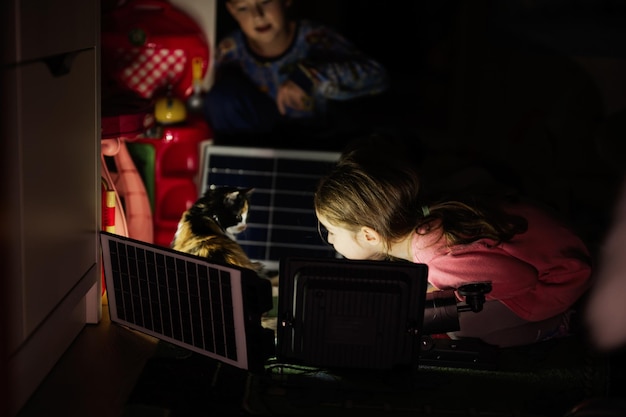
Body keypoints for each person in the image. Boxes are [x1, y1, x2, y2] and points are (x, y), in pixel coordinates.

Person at [313, 135, 593, 348]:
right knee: (441, 306)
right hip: (565, 247)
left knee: (456, 325)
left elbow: (523, 278)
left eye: (332, 231)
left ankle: (560, 322)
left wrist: (455, 294)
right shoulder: (426, 223)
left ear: (369, 235)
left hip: (564, 277)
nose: (330, 239)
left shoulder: (439, 259)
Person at [204, 0, 390, 147]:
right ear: (232, 10)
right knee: (220, 99)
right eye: (244, 7)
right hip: (261, 139)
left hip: (322, 135)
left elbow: (378, 77)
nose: (257, 16)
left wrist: (309, 77)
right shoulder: (230, 50)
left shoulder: (314, 37)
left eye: (266, 2)